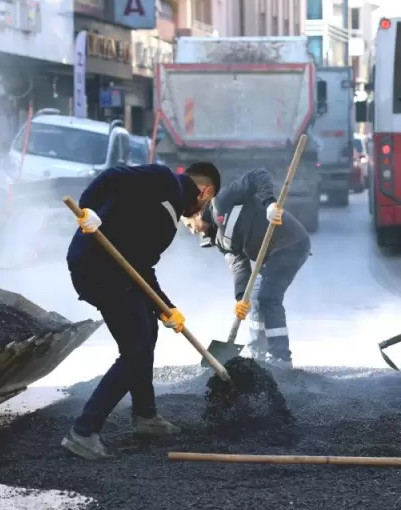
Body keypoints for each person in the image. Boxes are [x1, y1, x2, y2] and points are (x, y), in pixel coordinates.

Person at [62, 161, 220, 460]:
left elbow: (142, 268)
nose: (201, 213)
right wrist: (89, 210)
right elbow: (111, 176)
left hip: (116, 274)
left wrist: (166, 308)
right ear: (205, 192)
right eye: (206, 205)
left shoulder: (167, 222)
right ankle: (83, 431)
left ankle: (146, 416)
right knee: (135, 350)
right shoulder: (164, 180)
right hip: (97, 266)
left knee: (148, 329)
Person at [191, 168, 310, 367]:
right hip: (273, 255)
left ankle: (281, 358)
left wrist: (270, 204)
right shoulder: (220, 242)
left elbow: (258, 176)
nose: (192, 231)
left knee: (267, 297)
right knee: (254, 298)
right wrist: (240, 298)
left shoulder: (221, 202)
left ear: (195, 212)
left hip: (291, 243)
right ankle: (258, 353)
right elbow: (239, 267)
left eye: (189, 224)